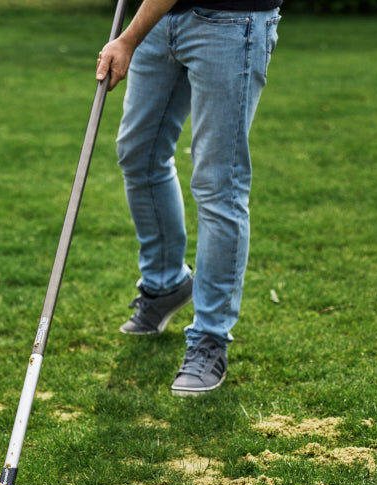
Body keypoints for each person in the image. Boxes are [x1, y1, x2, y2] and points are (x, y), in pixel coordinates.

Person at [96, 0, 282, 396]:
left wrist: (127, 39)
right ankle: (165, 286)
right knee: (139, 155)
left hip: (232, 22)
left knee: (219, 183)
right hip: (161, 18)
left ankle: (210, 339)